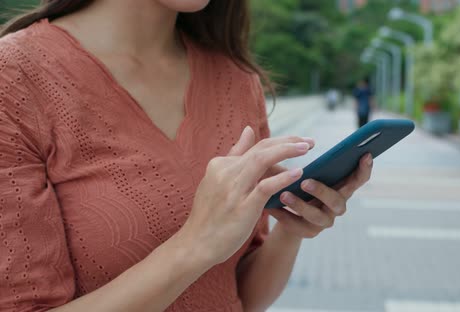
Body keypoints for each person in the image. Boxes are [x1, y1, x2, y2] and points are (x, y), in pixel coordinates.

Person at [0, 1, 375, 311]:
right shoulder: (14, 77)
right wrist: (194, 246)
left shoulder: (236, 81)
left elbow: (240, 296)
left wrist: (290, 231)